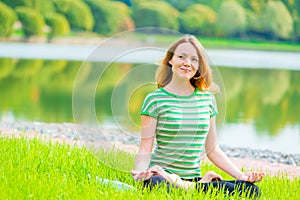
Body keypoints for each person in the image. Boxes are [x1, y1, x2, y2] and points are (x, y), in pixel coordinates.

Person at [131, 35, 265, 197]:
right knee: (157, 185)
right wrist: (140, 173)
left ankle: (190, 186)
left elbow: (213, 150)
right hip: (160, 176)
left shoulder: (207, 99)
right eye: (181, 57)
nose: (187, 63)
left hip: (194, 178)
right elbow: (145, 147)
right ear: (170, 60)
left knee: (251, 190)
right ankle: (191, 186)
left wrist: (241, 176)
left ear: (199, 66)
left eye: (194, 60)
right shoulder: (155, 99)